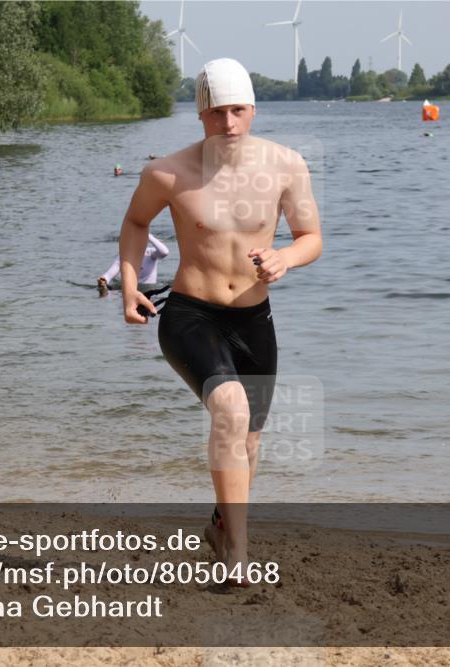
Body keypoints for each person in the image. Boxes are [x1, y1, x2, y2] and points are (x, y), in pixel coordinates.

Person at [116, 57, 322, 585]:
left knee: (250, 440)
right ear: (200, 114)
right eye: (215, 113)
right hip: (190, 314)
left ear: (252, 110)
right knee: (230, 412)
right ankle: (237, 555)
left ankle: (218, 527)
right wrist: (131, 285)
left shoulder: (287, 165)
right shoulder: (168, 171)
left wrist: (285, 258)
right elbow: (137, 222)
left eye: (237, 111)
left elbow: (310, 237)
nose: (227, 124)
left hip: (255, 319)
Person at [97, 232, 169, 296]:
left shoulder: (150, 253)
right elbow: (110, 274)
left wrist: (149, 236)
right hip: (130, 291)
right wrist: (104, 280)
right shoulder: (123, 255)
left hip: (148, 290)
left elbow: (164, 252)